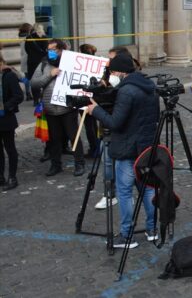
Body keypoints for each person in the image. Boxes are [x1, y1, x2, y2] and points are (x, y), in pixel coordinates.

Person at [85, 54, 160, 248]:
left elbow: (115, 123)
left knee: (125, 192)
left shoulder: (127, 92)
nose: (111, 76)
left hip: (128, 148)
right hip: (146, 146)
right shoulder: (148, 86)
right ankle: (153, 229)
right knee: (147, 188)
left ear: (120, 72)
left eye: (112, 72)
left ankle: (126, 236)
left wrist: (95, 110)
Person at [30, 39, 86, 177]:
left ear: (61, 50)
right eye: (49, 49)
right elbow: (34, 83)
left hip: (67, 108)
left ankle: (79, 163)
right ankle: (56, 165)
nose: (50, 52)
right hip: (50, 108)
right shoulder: (43, 64)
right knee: (54, 139)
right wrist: (50, 74)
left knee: (74, 137)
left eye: (53, 49)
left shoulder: (71, 63)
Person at [0, 54, 24, 191]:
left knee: (10, 148)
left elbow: (19, 96)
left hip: (6, 119)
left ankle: (12, 177)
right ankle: (0, 177)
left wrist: (6, 107)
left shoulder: (8, 76)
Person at [78, 44, 100, 159]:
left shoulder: (86, 66)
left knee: (90, 126)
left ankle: (95, 148)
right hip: (94, 99)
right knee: (93, 125)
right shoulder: (96, 64)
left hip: (86, 99)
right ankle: (96, 147)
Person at [25, 23, 47, 105]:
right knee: (43, 79)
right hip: (42, 62)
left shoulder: (28, 37)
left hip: (31, 62)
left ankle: (35, 100)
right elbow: (46, 50)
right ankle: (42, 98)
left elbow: (26, 50)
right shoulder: (44, 38)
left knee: (34, 81)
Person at [17, 23, 33, 101]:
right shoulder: (28, 37)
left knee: (27, 77)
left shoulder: (21, 36)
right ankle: (29, 93)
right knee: (31, 77)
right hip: (28, 58)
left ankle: (28, 93)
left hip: (24, 58)